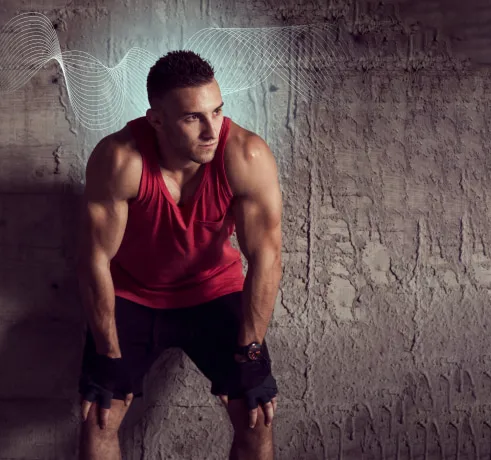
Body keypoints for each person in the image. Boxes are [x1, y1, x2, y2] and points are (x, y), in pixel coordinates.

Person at [75, 50, 283, 460]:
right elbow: (93, 260)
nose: (211, 130)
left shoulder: (245, 155)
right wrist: (107, 353)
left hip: (213, 293)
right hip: (133, 295)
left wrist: (251, 350)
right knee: (100, 417)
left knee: (257, 415)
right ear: (157, 120)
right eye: (193, 118)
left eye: (217, 111)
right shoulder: (121, 158)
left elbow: (266, 258)